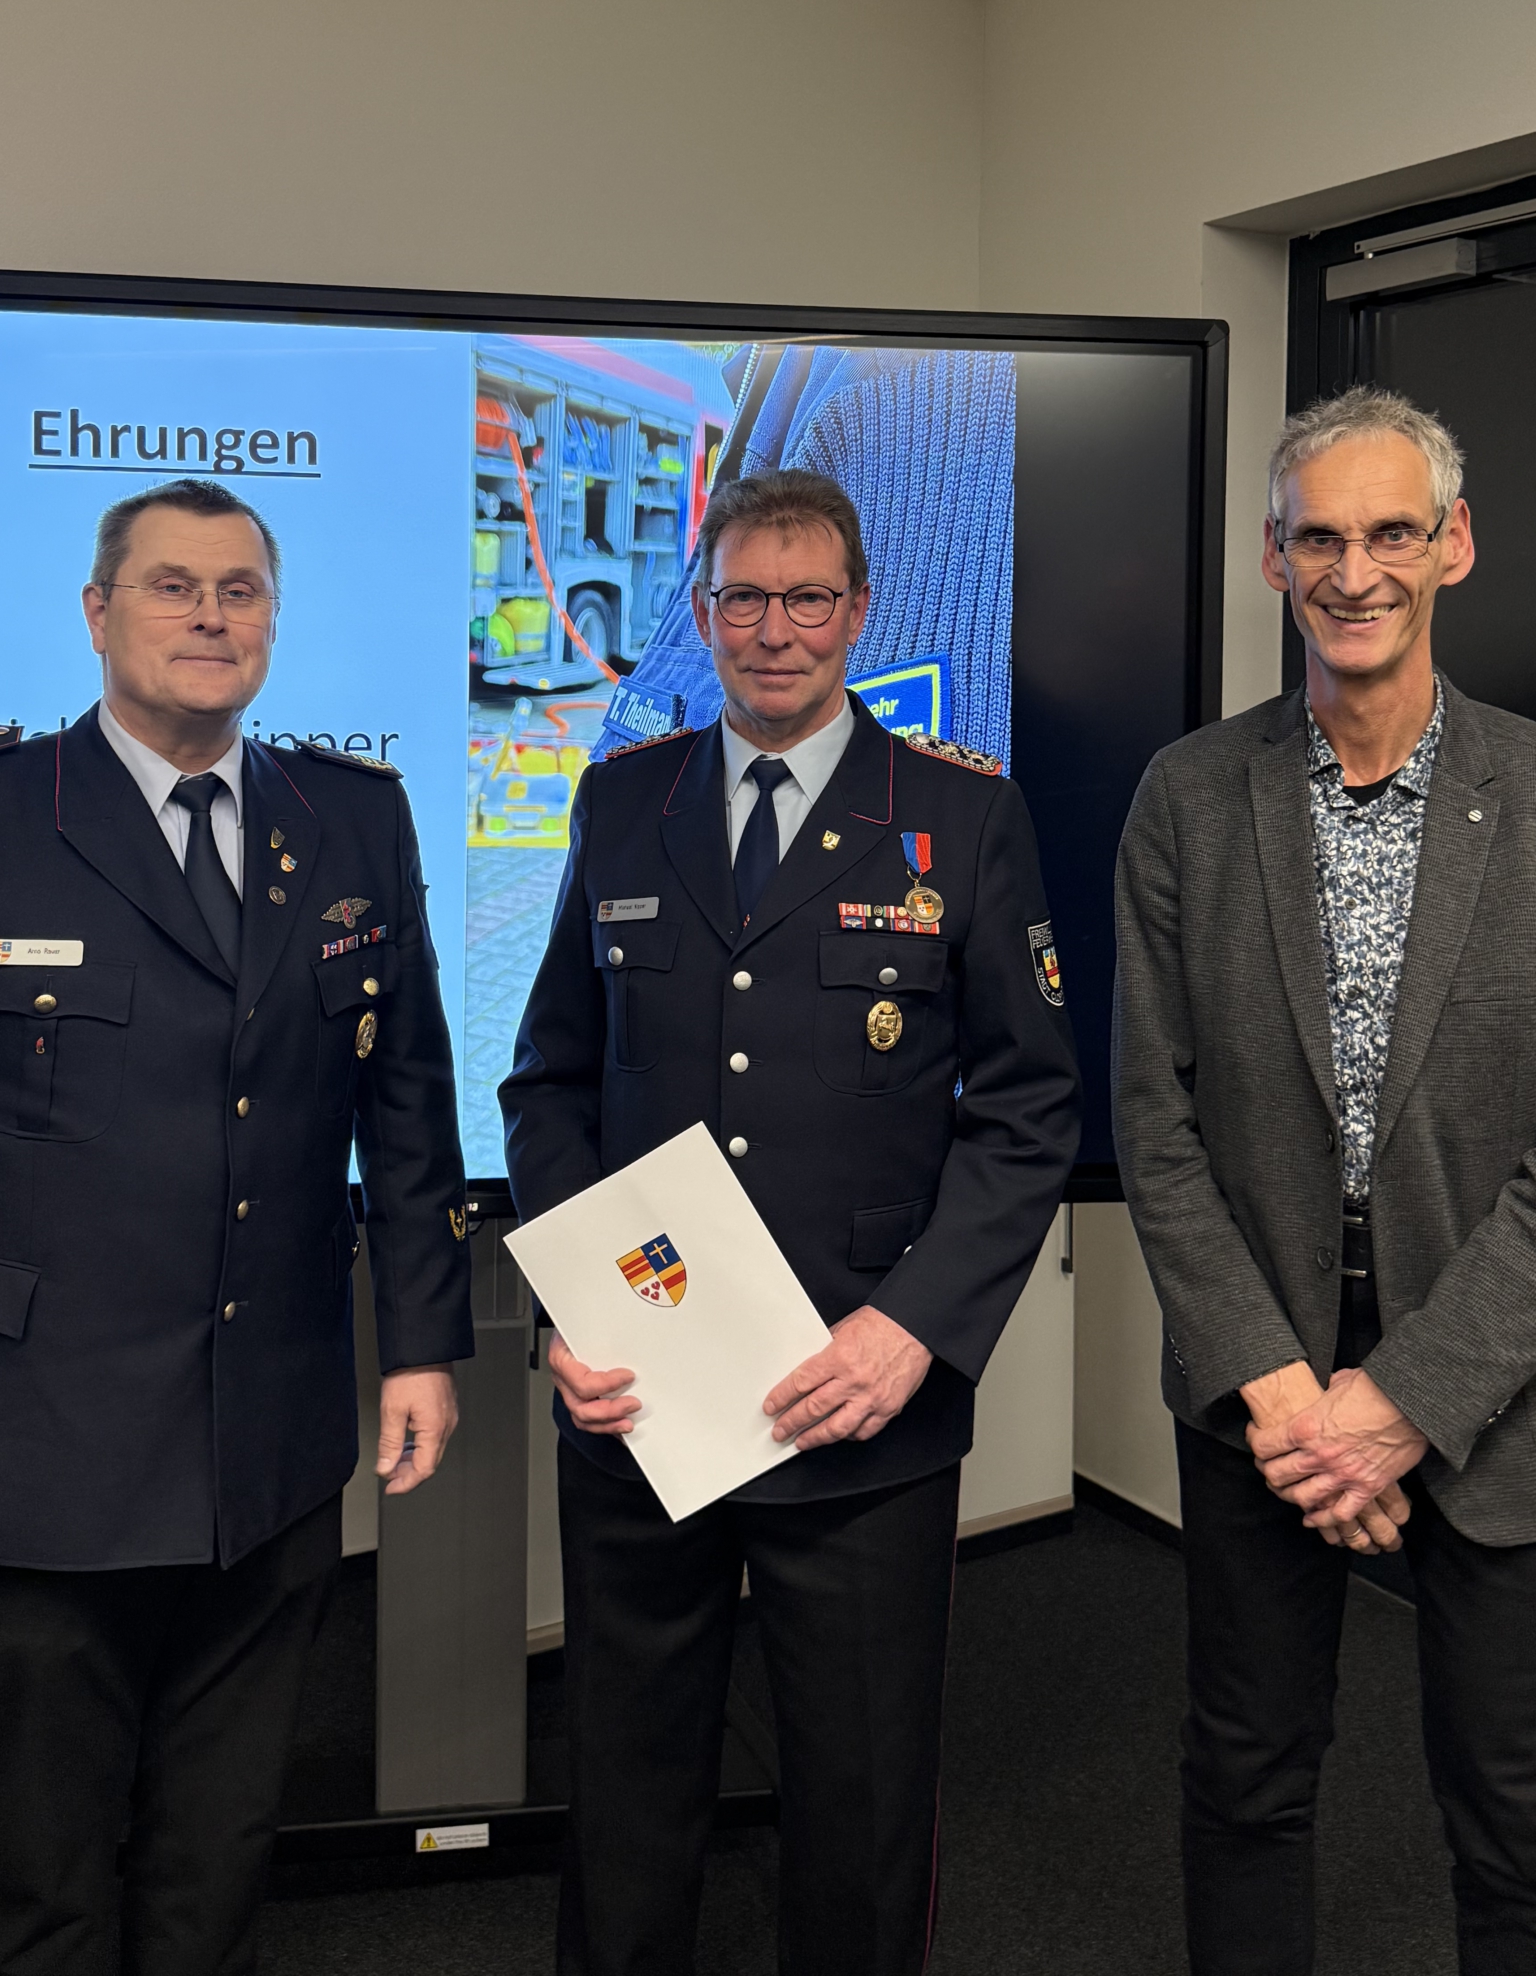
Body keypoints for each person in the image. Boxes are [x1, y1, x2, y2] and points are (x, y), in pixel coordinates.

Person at [0, 477, 472, 1976]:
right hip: (35, 1458)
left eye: (240, 590)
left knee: (219, 1855)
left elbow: (406, 1104)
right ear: (97, 613)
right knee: (43, 1869)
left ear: (273, 620)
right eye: (171, 585)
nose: (209, 616)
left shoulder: (350, 818)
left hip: (267, 1449)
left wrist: (421, 1341)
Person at [1112, 386, 1536, 1976]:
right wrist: (1284, 1390)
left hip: (1505, 1390)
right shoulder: (1186, 801)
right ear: (1274, 559)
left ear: (1454, 545)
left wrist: (1403, 1400)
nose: (1355, 573)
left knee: (1524, 1832)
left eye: (1392, 533)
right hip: (1262, 1398)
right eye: (1320, 539)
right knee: (1244, 1787)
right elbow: (1156, 1120)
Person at [503, 467, 1082, 1976]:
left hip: (862, 1397)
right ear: (702, 613)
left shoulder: (961, 813)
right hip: (645, 1403)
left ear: (858, 611)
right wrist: (577, 1304)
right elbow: (550, 1081)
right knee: (625, 1785)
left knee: (863, 1802)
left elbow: (1031, 1109)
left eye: (807, 598)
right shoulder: (623, 801)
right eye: (745, 599)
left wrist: (916, 1331)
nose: (775, 631)